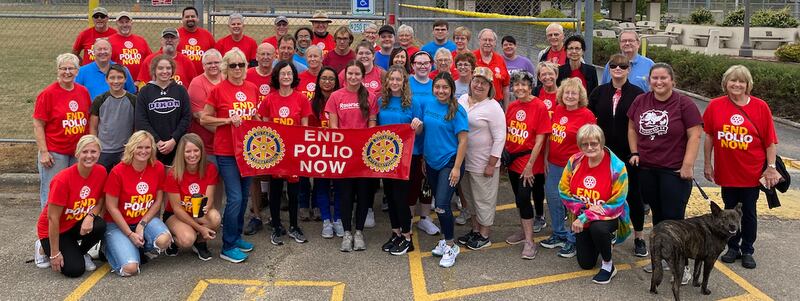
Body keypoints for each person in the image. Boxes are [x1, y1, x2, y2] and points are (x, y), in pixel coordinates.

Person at [629, 64, 702, 282]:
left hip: (674, 171)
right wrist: (634, 151)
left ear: (673, 81)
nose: (659, 82)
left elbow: (695, 135)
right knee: (659, 220)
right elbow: (632, 128)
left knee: (675, 220)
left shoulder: (683, 103)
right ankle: (662, 258)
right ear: (649, 80)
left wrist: (688, 165)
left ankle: (682, 266)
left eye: (663, 78)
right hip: (648, 170)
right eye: (654, 78)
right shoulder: (641, 101)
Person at [704, 65, 780, 269]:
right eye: (733, 81)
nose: (737, 84)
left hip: (752, 173)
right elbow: (709, 136)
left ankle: (747, 249)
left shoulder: (760, 107)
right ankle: (732, 247)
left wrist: (771, 167)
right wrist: (707, 163)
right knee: (728, 212)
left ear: (748, 85)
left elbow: (770, 142)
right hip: (726, 171)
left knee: (748, 212)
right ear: (725, 83)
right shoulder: (715, 105)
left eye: (741, 81)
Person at [201, 48, 259, 263]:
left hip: (248, 152)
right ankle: (227, 245)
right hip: (226, 151)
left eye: (241, 65)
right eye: (232, 65)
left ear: (245, 67)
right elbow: (205, 119)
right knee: (234, 197)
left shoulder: (252, 88)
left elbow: (253, 116)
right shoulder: (218, 90)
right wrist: (226, 121)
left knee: (244, 196)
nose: (237, 69)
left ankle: (236, 237)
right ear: (226, 67)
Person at [588, 54, 647, 257]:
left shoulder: (638, 94)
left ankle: (639, 236)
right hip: (604, 154)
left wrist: (637, 151)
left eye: (623, 66)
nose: (618, 69)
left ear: (629, 69)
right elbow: (589, 119)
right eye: (613, 66)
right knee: (606, 195)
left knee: (634, 195)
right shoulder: (599, 92)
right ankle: (610, 231)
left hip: (629, 154)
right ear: (609, 69)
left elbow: (642, 125)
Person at [560, 124, 632, 284]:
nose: (590, 147)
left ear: (601, 142)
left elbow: (617, 203)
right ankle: (601, 241)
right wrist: (584, 210)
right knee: (586, 264)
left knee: (598, 228)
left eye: (594, 143)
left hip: (609, 216)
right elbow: (563, 191)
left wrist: (586, 217)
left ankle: (608, 265)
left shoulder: (617, 167)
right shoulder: (575, 161)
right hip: (582, 214)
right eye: (585, 144)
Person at [412, 72, 468, 267]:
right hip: (431, 162)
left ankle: (451, 246)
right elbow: (424, 132)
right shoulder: (428, 104)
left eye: (445, 87)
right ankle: (444, 240)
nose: (441, 91)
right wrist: (417, 128)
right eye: (437, 87)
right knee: (440, 204)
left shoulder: (457, 110)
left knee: (442, 205)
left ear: (451, 89)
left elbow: (463, 141)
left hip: (449, 162)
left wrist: (457, 168)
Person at [34, 135, 107, 277]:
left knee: (99, 225)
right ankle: (42, 247)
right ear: (77, 153)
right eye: (85, 152)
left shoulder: (101, 172)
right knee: (74, 270)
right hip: (54, 229)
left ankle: (80, 253)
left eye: (93, 152)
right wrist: (55, 253)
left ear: (99, 153)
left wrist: (90, 216)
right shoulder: (62, 180)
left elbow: (100, 201)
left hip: (73, 223)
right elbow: (53, 218)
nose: (89, 156)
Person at [325, 61, 379, 252]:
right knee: (345, 195)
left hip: (364, 156)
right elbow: (333, 127)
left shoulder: (370, 97)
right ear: (345, 75)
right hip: (344, 155)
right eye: (350, 74)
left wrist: (364, 144)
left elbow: (372, 124)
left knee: (364, 195)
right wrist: (345, 145)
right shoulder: (335, 97)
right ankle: (347, 233)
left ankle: (359, 232)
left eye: (357, 74)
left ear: (362, 76)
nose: (353, 77)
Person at [257, 61, 312, 245]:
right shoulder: (269, 100)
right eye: (283, 74)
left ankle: (295, 226)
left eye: (289, 73)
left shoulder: (301, 99)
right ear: (277, 77)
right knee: (276, 190)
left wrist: (302, 150)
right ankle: (276, 226)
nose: (286, 77)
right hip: (275, 153)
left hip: (294, 153)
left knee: (294, 192)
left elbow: (305, 128)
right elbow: (264, 128)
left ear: (294, 76)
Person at [540, 78, 596, 258]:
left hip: (574, 166)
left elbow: (591, 143)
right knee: (553, 198)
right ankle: (559, 233)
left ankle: (573, 239)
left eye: (574, 93)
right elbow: (550, 137)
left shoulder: (586, 115)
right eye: (567, 93)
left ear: (580, 96)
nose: (570, 96)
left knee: (573, 204)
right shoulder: (557, 109)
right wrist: (546, 158)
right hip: (554, 164)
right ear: (561, 95)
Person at [103, 131, 171, 277]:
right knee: (130, 269)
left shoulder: (158, 167)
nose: (143, 151)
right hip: (118, 225)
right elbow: (111, 207)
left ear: (152, 149)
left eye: (147, 147)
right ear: (131, 148)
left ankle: (140, 248)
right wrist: (129, 233)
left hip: (143, 219)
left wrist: (142, 224)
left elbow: (158, 201)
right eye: (139, 147)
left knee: (164, 240)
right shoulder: (118, 171)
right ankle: (107, 246)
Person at [455, 67, 506, 250]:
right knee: (470, 199)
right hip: (464, 161)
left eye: (483, 83)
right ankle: (475, 230)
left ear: (490, 87)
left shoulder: (493, 107)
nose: (478, 85)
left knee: (484, 199)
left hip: (483, 162)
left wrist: (492, 164)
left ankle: (485, 234)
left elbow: (500, 137)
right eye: (476, 81)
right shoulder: (462, 100)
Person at [33, 53, 91, 208]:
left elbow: (88, 119)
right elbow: (38, 124)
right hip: (55, 153)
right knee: (52, 192)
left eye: (71, 68)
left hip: (77, 152)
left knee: (74, 191)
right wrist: (44, 152)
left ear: (77, 71)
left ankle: (67, 228)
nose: (67, 72)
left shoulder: (83, 91)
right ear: (57, 71)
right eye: (63, 68)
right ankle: (48, 229)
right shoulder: (48, 94)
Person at [503, 71, 550, 259]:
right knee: (518, 198)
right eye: (516, 85)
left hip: (529, 160)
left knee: (524, 197)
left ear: (531, 87)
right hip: (513, 160)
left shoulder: (539, 106)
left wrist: (530, 165)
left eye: (524, 85)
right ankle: (524, 230)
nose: (520, 88)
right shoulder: (513, 106)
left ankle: (530, 242)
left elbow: (540, 140)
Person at [376, 65, 419, 255]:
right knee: (390, 196)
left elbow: (418, 130)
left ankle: (407, 237)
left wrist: (417, 126)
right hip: (385, 157)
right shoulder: (381, 102)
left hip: (404, 158)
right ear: (387, 82)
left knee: (401, 198)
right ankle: (396, 232)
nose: (394, 82)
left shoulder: (412, 103)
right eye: (391, 79)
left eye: (398, 79)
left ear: (404, 82)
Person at [162, 133, 221, 261]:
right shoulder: (173, 173)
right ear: (181, 153)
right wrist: (200, 227)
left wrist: (201, 214)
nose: (192, 155)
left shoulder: (210, 168)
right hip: (176, 214)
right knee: (187, 239)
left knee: (215, 218)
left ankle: (200, 242)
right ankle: (173, 240)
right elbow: (177, 209)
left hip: (197, 211)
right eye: (188, 151)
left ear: (201, 151)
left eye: (196, 150)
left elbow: (209, 199)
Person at [134, 55, 192, 166]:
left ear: (173, 70)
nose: (164, 71)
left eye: (168, 68)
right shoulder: (145, 91)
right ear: (154, 70)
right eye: (160, 68)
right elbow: (141, 120)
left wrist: (174, 140)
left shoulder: (181, 90)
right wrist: (157, 141)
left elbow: (186, 117)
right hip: (152, 146)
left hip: (177, 144)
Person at [243, 43, 276, 235]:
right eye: (262, 54)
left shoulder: (279, 73)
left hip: (275, 130)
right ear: (256, 55)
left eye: (269, 54)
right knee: (253, 174)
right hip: (254, 131)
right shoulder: (248, 74)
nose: (265, 57)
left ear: (274, 56)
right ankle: (256, 215)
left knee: (275, 173)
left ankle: (273, 215)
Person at [310, 66, 346, 238]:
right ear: (318, 81)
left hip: (339, 149)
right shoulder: (312, 102)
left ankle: (338, 218)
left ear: (336, 82)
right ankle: (326, 220)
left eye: (331, 78)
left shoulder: (342, 99)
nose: (327, 82)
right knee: (321, 185)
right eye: (323, 78)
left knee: (339, 186)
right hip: (319, 151)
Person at [408, 51, 440, 235]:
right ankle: (409, 218)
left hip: (431, 142)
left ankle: (425, 218)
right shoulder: (407, 83)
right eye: (418, 63)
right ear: (412, 65)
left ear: (431, 64)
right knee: (412, 183)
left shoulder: (435, 85)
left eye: (426, 63)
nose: (422, 66)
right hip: (411, 144)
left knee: (427, 183)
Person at [89, 64, 137, 172]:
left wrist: (131, 147)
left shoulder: (133, 100)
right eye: (112, 78)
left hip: (125, 150)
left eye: (119, 77)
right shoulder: (99, 100)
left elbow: (136, 127)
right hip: (104, 150)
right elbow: (93, 127)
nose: (116, 81)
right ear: (106, 79)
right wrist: (95, 146)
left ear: (125, 79)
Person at [188, 49, 223, 164]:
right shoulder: (197, 83)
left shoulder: (227, 80)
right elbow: (201, 118)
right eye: (209, 63)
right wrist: (226, 135)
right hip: (206, 146)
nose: (213, 66)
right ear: (203, 66)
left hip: (227, 146)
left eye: (216, 62)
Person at [108, 11, 152, 81]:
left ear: (131, 22)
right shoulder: (109, 41)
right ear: (116, 23)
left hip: (139, 83)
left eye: (127, 22)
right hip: (118, 83)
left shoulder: (141, 41)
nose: (124, 25)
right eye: (121, 22)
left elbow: (149, 61)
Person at [473, 29, 511, 107]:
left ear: (495, 43)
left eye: (490, 40)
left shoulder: (500, 59)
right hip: (476, 103)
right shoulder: (471, 58)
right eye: (485, 40)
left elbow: (506, 86)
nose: (487, 43)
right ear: (479, 41)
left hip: (497, 103)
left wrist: (506, 109)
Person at [178, 6, 216, 73]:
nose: (190, 19)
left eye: (193, 16)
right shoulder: (176, 35)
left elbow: (215, 56)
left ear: (197, 18)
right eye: (187, 17)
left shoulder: (207, 35)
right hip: (182, 77)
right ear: (182, 19)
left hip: (203, 77)